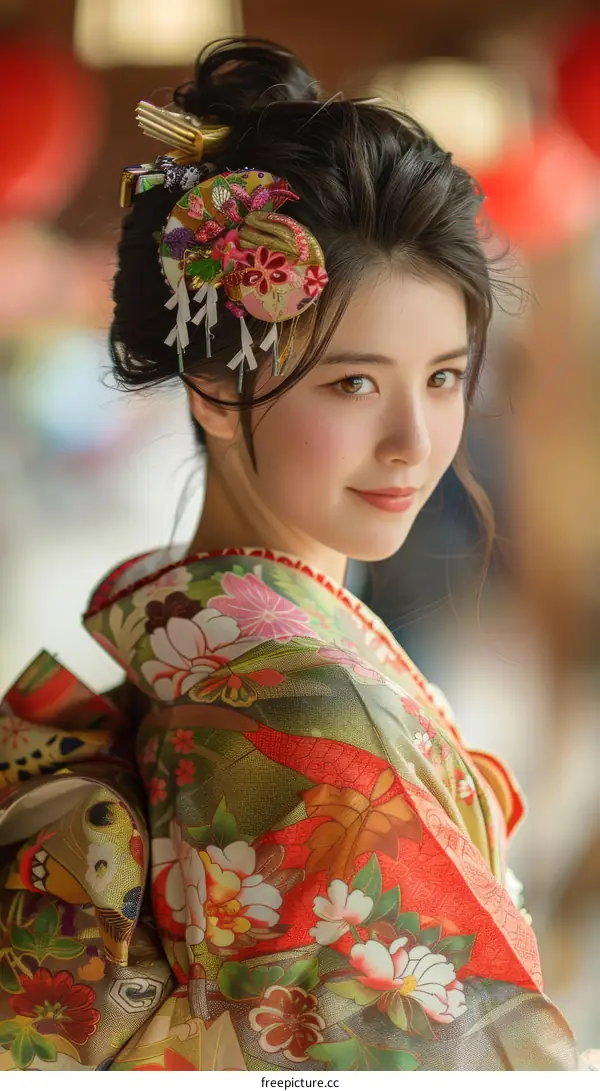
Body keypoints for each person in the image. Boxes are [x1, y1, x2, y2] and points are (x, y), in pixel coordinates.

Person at [0, 37, 581, 1072]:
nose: (414, 440)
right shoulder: (311, 708)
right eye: (354, 383)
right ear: (217, 390)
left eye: (444, 378)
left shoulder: (182, 634)